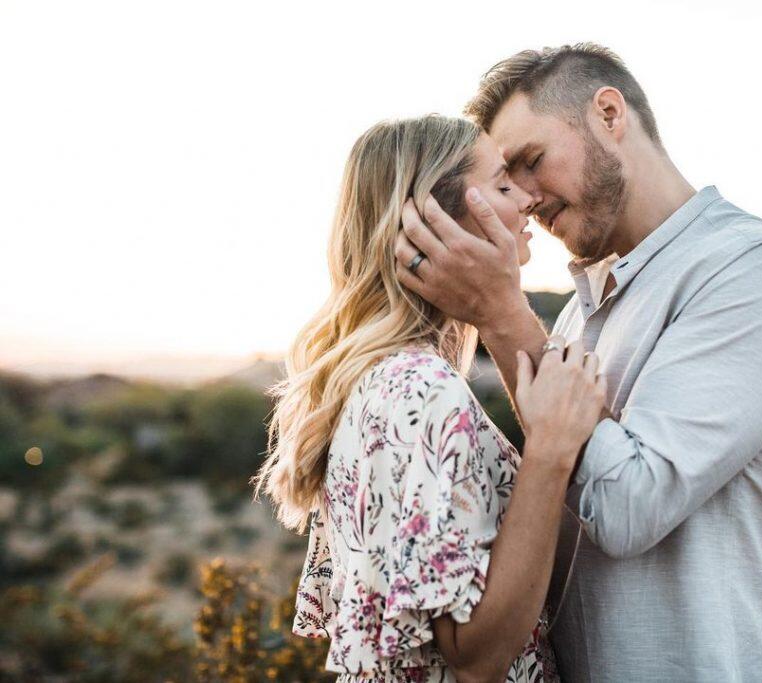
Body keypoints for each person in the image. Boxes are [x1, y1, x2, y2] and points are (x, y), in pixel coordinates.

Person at [394, 44, 762, 682]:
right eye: (507, 180)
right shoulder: (578, 313)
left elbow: (629, 507)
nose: (524, 198)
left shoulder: (753, 271)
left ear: (608, 113)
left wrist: (500, 314)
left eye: (531, 161)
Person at [251, 114, 608, 682]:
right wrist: (549, 453)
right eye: (502, 184)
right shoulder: (422, 391)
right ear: (438, 221)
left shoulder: (377, 379)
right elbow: (476, 655)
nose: (529, 200)